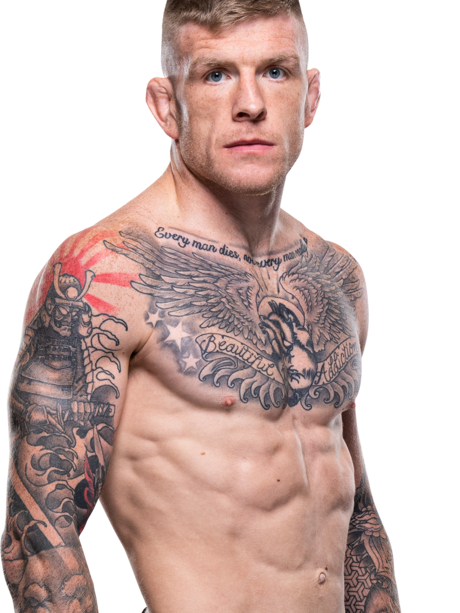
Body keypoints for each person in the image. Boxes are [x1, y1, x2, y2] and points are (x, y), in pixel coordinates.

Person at [1, 1, 400, 611]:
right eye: (215, 75)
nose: (250, 104)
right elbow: (40, 539)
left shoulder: (335, 274)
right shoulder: (108, 272)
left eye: (275, 71)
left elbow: (351, 506)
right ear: (166, 106)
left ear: (311, 96)